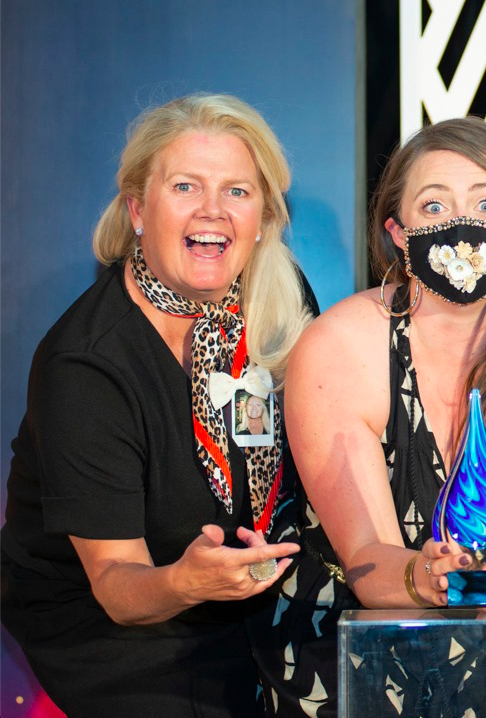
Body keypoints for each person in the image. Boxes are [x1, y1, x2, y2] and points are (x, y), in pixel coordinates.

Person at [248, 116, 486, 716]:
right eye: (434, 205)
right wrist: (428, 575)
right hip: (347, 654)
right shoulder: (338, 347)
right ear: (398, 232)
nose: (462, 226)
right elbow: (369, 561)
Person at [1, 94, 314, 718]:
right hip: (120, 627)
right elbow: (118, 586)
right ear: (138, 211)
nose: (212, 210)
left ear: (262, 218)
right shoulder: (86, 365)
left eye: (236, 191)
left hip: (251, 597)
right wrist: (187, 581)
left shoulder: (279, 300)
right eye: (185, 186)